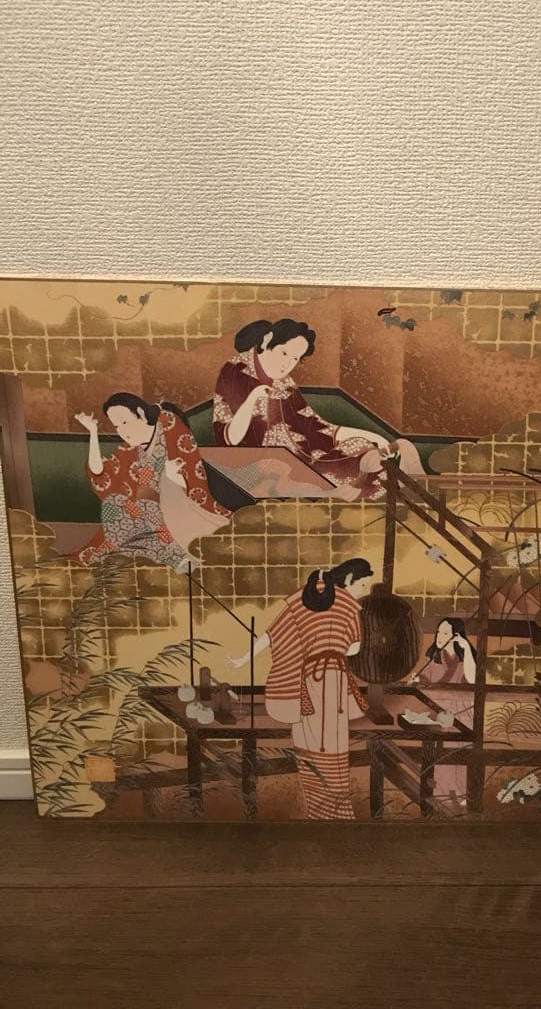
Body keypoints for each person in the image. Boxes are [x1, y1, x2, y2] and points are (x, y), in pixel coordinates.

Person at [213, 318, 423, 499]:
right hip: (258, 464)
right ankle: (344, 486)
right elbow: (230, 439)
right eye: (284, 353)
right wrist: (253, 397)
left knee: (360, 447)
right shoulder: (237, 371)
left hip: (301, 459)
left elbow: (314, 425)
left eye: (295, 359)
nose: (287, 365)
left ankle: (361, 474)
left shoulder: (284, 382)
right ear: (267, 340)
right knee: (289, 471)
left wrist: (372, 436)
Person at [230, 558, 373, 820]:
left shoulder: (301, 598)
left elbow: (272, 635)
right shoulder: (349, 606)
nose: (363, 591)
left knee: (309, 746)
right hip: (334, 681)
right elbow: (354, 648)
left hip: (306, 682)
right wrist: (334, 645)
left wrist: (243, 659)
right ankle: (337, 814)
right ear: (349, 579)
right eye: (363, 585)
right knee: (333, 749)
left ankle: (317, 811)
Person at [73, 394, 229, 570]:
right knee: (113, 503)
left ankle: (173, 556)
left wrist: (169, 479)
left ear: (140, 413)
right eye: (116, 426)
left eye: (124, 422)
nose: (122, 431)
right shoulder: (131, 447)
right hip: (145, 516)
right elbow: (100, 474)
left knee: (146, 509)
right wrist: (93, 432)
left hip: (180, 508)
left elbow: (190, 475)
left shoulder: (169, 425)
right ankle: (146, 555)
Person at [411, 617, 476, 807]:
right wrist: (417, 680)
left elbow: (473, 680)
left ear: (456, 636)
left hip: (462, 714)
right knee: (437, 755)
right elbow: (424, 681)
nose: (439, 636)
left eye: (445, 633)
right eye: (439, 632)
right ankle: (440, 794)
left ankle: (462, 795)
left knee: (459, 753)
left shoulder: (466, 659)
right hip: (439, 715)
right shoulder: (434, 658)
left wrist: (466, 648)